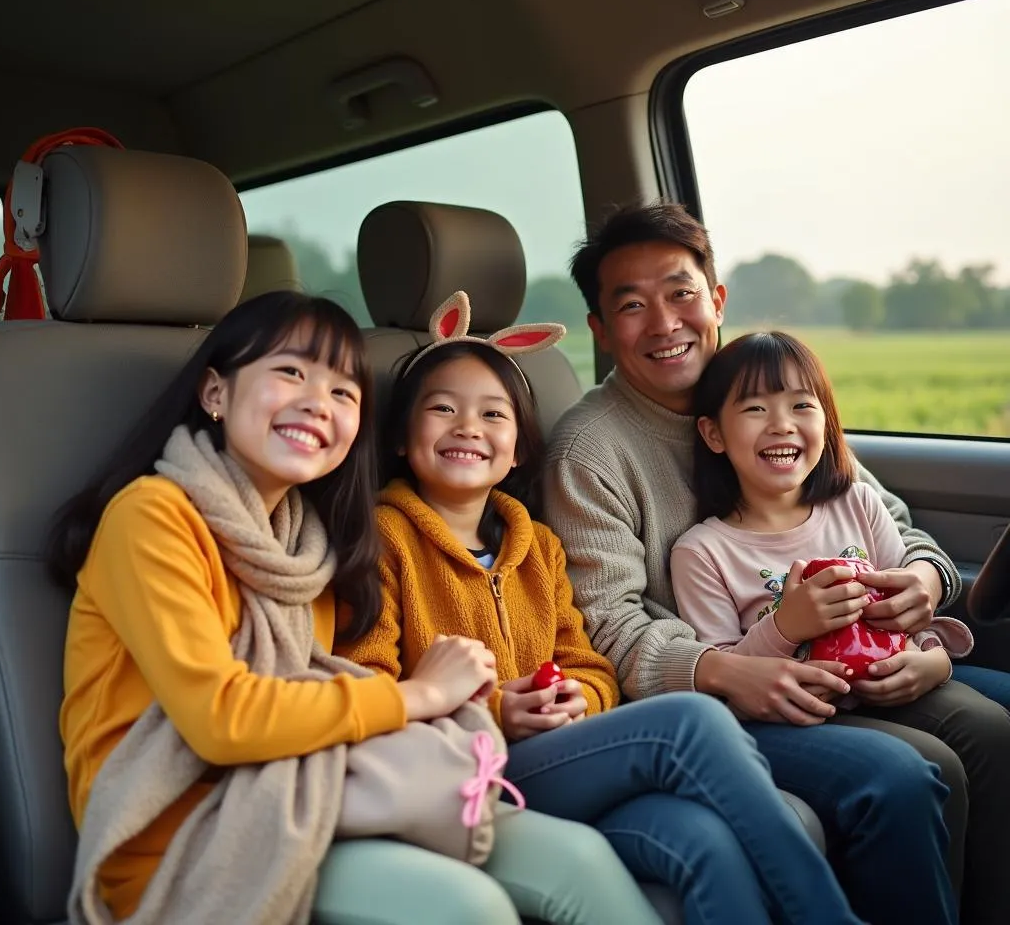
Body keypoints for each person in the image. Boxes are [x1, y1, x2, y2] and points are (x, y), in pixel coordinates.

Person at [50, 290, 667, 925]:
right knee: (468, 908)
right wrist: (423, 695)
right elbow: (220, 719)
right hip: (186, 834)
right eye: (290, 371)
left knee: (579, 860)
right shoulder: (152, 516)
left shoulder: (308, 544)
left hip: (314, 790)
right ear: (215, 392)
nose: (318, 402)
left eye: (344, 392)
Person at [343, 290, 865, 925]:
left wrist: (576, 700)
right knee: (691, 724)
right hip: (458, 767)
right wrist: (494, 706)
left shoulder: (536, 547)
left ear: (519, 451)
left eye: (493, 415)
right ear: (400, 437)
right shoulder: (379, 542)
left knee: (703, 841)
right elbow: (364, 686)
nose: (467, 428)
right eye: (443, 409)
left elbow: (590, 667)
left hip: (557, 759)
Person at [543, 201, 968, 924]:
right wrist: (731, 668)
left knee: (991, 725)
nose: (666, 322)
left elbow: (885, 519)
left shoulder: (767, 389)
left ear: (717, 299)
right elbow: (603, 625)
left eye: (681, 293)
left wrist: (924, 586)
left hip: (858, 653)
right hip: (725, 693)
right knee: (906, 773)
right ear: (601, 332)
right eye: (633, 306)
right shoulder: (590, 450)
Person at [670, 329, 1010, 925]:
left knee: (992, 727)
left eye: (803, 405)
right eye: (755, 409)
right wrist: (785, 625)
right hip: (799, 710)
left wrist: (932, 657)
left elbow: (904, 613)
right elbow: (723, 675)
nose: (782, 425)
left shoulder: (856, 503)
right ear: (713, 433)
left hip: (887, 682)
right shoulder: (704, 551)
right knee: (934, 764)